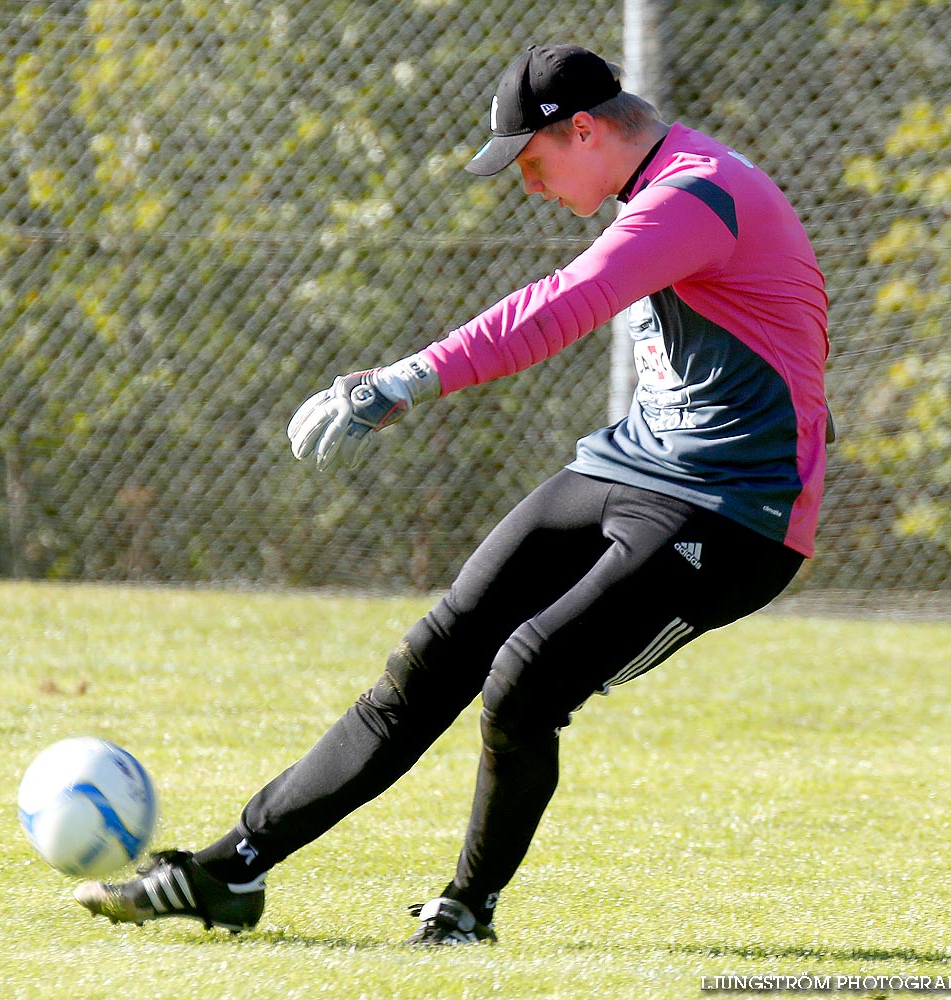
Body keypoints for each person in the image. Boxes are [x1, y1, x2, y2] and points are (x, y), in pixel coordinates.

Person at [74, 42, 830, 946]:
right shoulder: (663, 184)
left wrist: (405, 379)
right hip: (632, 467)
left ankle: (464, 912)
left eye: (533, 160)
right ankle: (225, 872)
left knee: (522, 680)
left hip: (735, 516)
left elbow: (565, 300)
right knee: (433, 657)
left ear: (582, 130)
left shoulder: (699, 194)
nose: (529, 185)